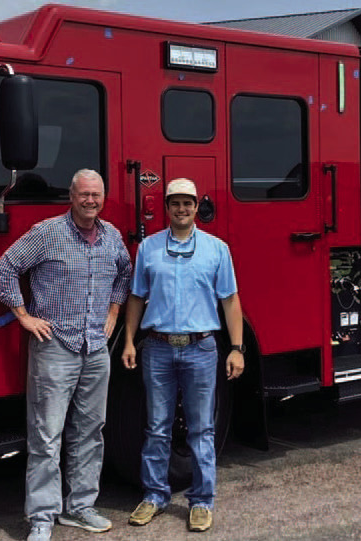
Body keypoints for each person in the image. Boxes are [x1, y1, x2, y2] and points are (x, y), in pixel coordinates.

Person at [0, 169, 132, 541]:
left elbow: (125, 273)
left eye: (97, 195)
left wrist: (114, 313)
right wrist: (23, 316)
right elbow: (4, 267)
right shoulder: (46, 233)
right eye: (84, 194)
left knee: (91, 432)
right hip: (55, 346)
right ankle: (42, 517)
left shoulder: (112, 236)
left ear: (103, 198)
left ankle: (80, 507)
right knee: (46, 435)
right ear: (71, 196)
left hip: (95, 348)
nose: (91, 200)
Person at [121, 177, 245, 533]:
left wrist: (236, 349)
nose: (181, 209)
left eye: (187, 203)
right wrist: (130, 340)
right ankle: (155, 496)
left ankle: (202, 500)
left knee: (201, 429)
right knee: (157, 427)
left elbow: (230, 300)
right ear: (166, 208)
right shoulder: (148, 248)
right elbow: (135, 297)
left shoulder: (217, 249)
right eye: (174, 203)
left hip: (201, 349)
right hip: (157, 348)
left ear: (196, 208)